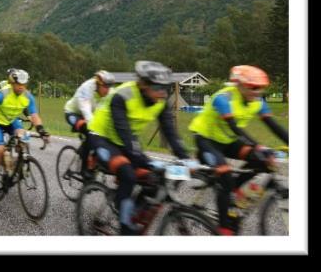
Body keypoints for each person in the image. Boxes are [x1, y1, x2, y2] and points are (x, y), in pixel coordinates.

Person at [87, 61, 192, 235]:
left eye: (166, 87)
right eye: (157, 87)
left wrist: (186, 159)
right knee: (128, 174)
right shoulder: (123, 96)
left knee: (155, 179)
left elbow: (170, 133)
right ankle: (125, 224)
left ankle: (131, 209)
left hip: (125, 138)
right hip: (102, 137)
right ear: (143, 84)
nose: (162, 92)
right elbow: (126, 139)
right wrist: (147, 162)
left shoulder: (161, 99)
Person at [189, 65, 289, 235]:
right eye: (254, 88)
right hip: (206, 140)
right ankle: (224, 227)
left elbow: (273, 126)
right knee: (225, 174)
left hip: (228, 141)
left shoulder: (257, 101)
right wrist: (258, 146)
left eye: (261, 89)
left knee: (261, 161)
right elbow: (234, 127)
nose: (257, 92)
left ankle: (233, 189)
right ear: (239, 85)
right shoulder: (223, 98)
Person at [0, 69, 50, 195]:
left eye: (24, 85)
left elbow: (34, 115)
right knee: (0, 148)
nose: (21, 87)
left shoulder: (28, 97)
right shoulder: (2, 94)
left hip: (11, 121)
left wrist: (41, 129)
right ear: (12, 83)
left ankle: (15, 165)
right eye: (18, 84)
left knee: (22, 138)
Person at [64, 70, 117, 175]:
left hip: (92, 115)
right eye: (105, 87)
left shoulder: (110, 92)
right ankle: (84, 168)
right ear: (98, 84)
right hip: (74, 113)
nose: (108, 90)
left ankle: (94, 156)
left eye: (109, 87)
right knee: (89, 131)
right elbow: (86, 111)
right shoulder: (86, 88)